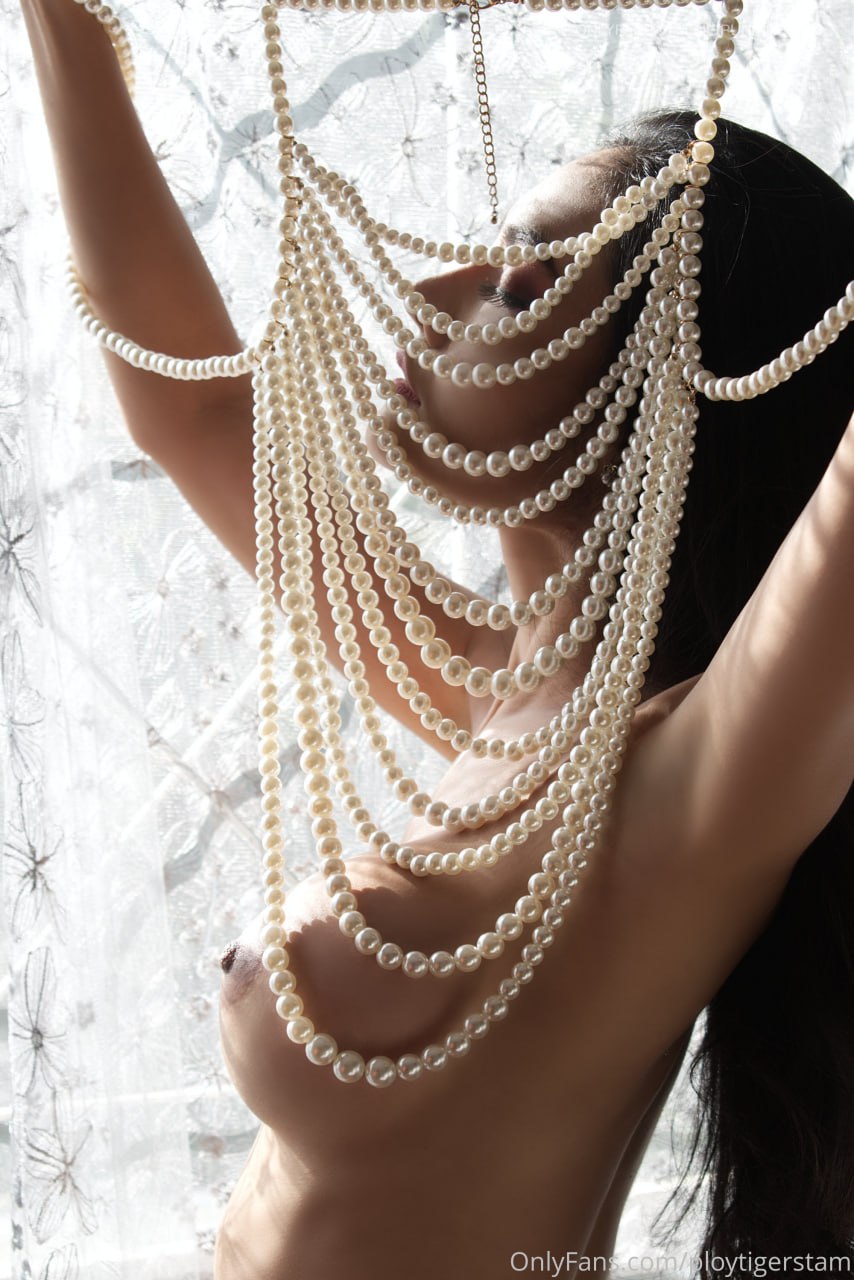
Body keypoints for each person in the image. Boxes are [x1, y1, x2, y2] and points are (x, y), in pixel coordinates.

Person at [20, 1, 854, 1276]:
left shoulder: (694, 780)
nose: (421, 294)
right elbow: (189, 409)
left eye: (518, 281)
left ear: (676, 370)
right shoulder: (495, 685)